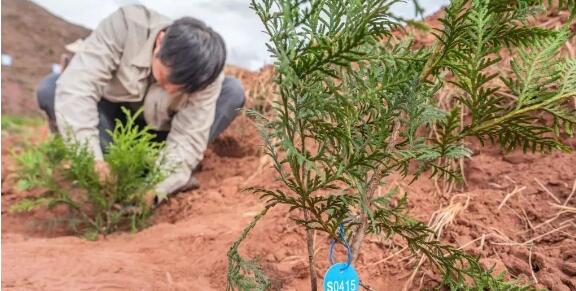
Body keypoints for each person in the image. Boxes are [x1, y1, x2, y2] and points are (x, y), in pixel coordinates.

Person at [36, 5, 245, 206]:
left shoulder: (206, 75)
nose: (171, 91)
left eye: (182, 88)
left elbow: (189, 137)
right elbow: (78, 88)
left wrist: (157, 187)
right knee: (51, 88)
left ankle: (164, 172)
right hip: (111, 126)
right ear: (160, 42)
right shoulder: (126, 25)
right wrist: (92, 160)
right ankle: (102, 161)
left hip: (160, 136)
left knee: (232, 92)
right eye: (165, 79)